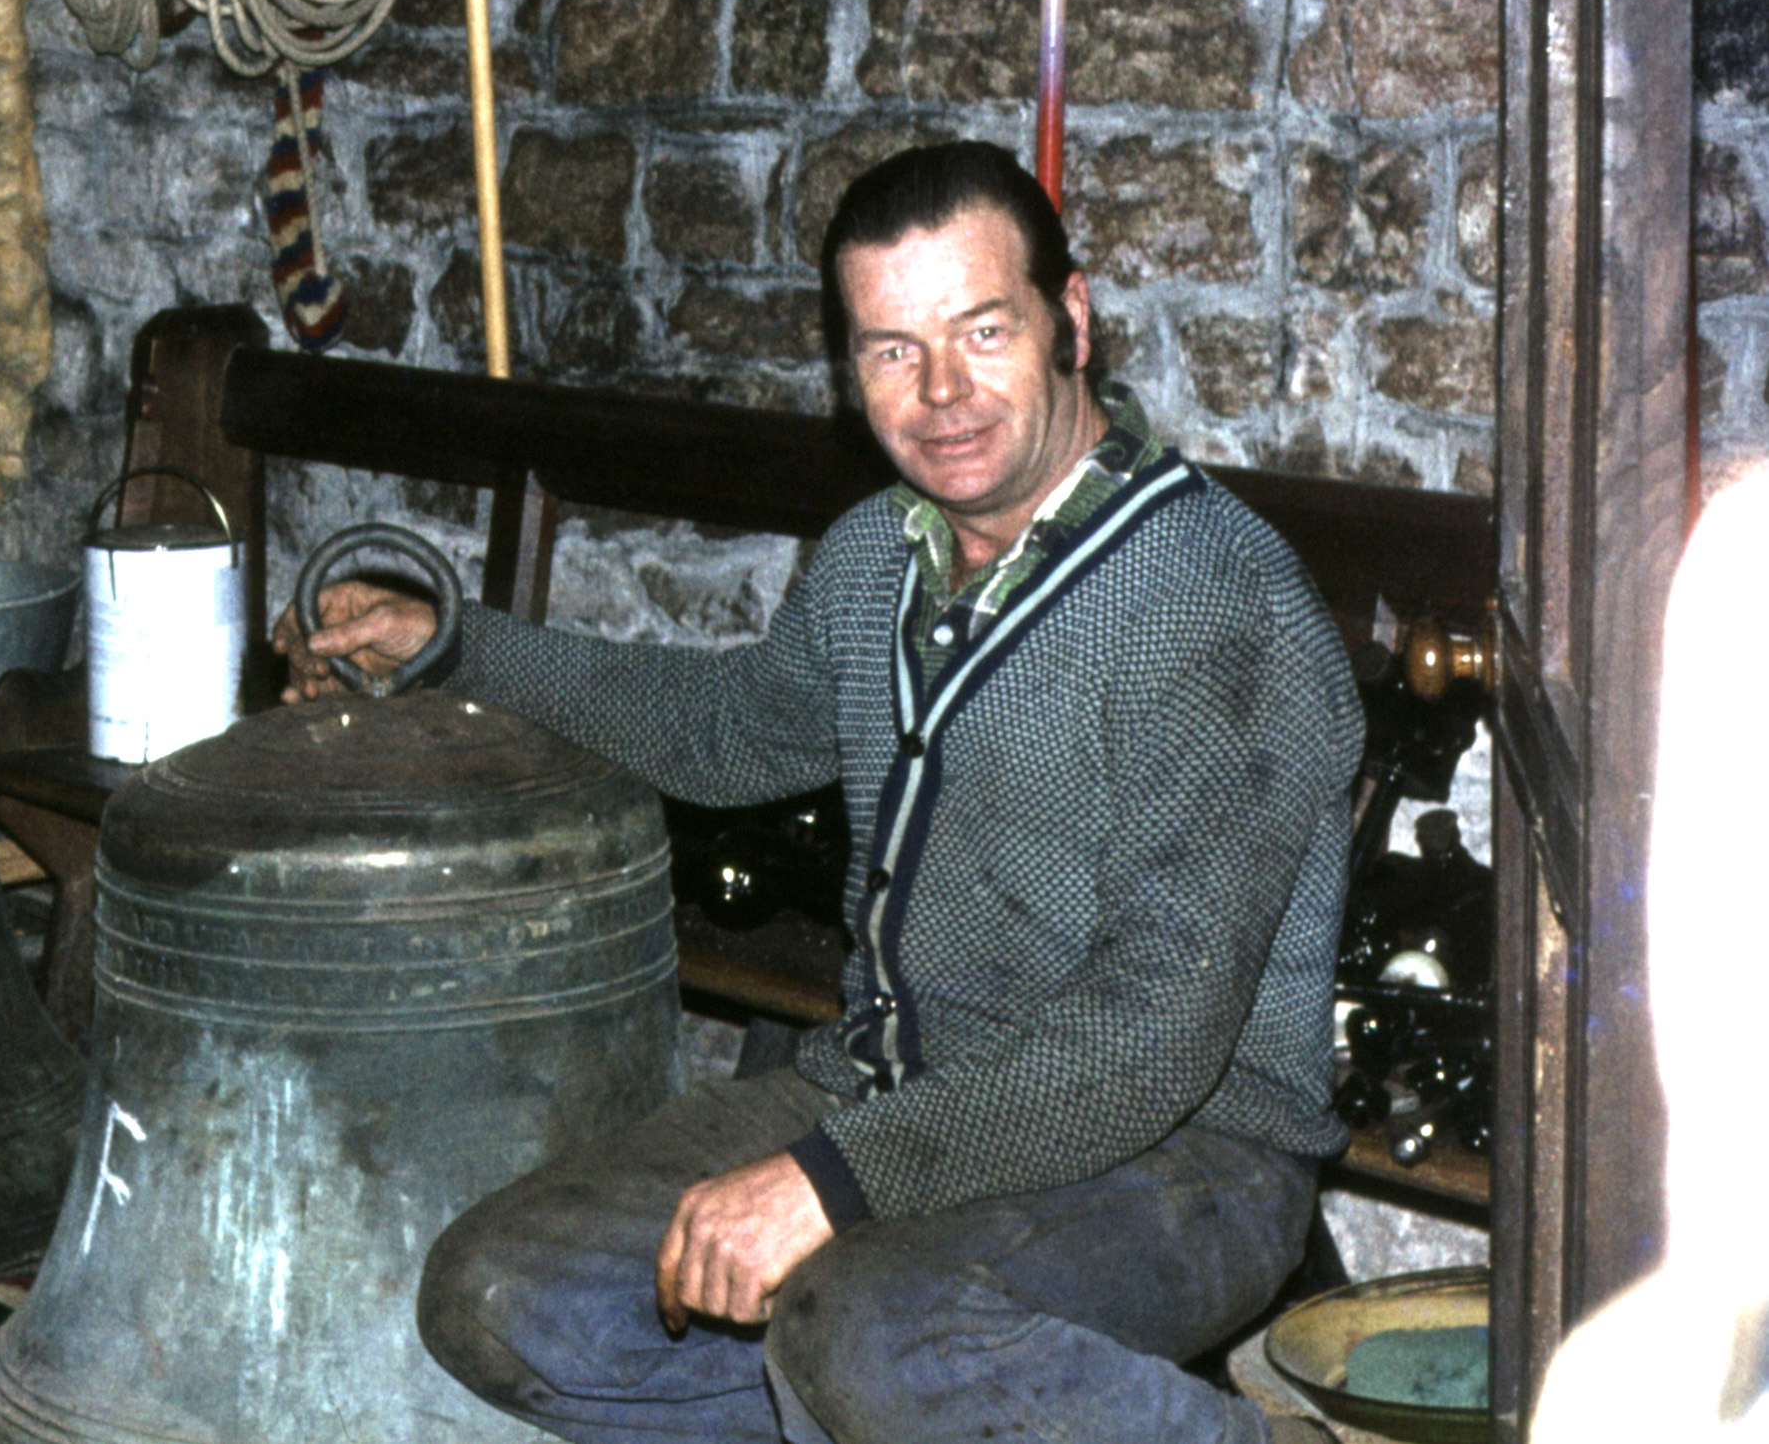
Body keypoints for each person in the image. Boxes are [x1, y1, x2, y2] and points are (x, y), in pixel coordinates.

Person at [280, 141, 1363, 1444]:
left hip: (1185, 1153)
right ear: (851, 370)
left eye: (982, 330)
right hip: (888, 1085)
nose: (942, 392)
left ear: (1071, 322)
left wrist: (829, 1183)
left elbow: (1154, 1034)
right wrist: (454, 648)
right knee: (504, 1298)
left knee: (860, 1326)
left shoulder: (1213, 599)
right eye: (893, 349)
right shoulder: (877, 558)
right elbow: (724, 729)